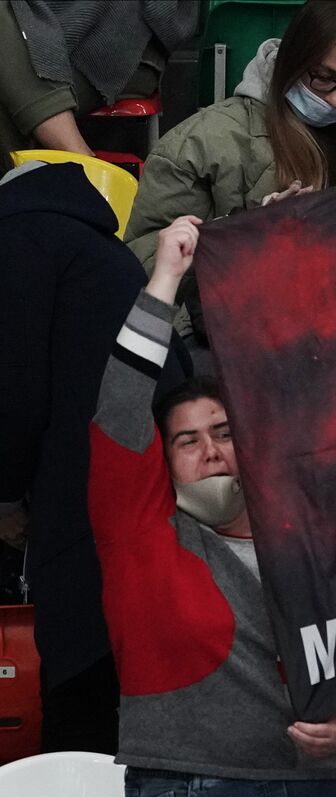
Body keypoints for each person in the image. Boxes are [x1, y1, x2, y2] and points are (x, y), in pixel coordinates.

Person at [90, 216, 336, 797]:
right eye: (186, 442)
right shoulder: (143, 536)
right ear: (162, 462)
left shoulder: (316, 538)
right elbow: (121, 406)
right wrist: (165, 279)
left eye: (225, 432)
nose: (211, 450)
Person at [0, 153, 190, 754]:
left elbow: (14, 391)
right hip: (147, 481)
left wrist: (4, 496)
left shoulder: (20, 237)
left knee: (82, 709)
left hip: (93, 490)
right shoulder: (87, 244)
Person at [123, 0, 336, 340]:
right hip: (231, 344)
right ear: (293, 61)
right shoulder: (199, 144)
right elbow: (139, 275)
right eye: (323, 78)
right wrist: (246, 234)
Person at [0, 0, 198, 157]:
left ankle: (78, 164)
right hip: (32, 35)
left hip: (123, 48)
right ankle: (81, 162)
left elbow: (163, 13)